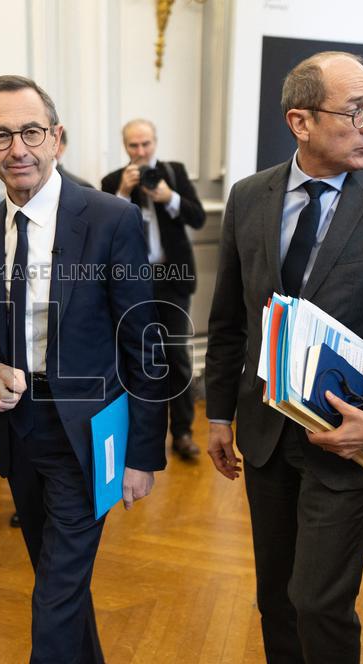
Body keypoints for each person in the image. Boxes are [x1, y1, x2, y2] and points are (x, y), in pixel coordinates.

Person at [205, 51, 363, 664]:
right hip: (264, 436)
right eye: (355, 110)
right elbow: (230, 321)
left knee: (319, 602)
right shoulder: (250, 197)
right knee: (275, 599)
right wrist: (218, 415)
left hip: (348, 436)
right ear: (300, 122)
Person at [0, 74, 167, 664]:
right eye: (0, 135)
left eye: (31, 131)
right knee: (60, 580)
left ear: (57, 138)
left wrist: (142, 455)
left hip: (88, 438)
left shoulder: (109, 218)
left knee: (54, 594)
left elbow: (144, 342)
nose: (18, 148)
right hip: (20, 433)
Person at [101, 119, 206, 461]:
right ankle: (137, 436)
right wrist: (121, 194)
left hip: (172, 279)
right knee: (134, 359)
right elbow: (101, 235)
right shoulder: (111, 181)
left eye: (146, 144)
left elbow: (198, 218)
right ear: (125, 147)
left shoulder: (173, 173)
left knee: (176, 357)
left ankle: (183, 432)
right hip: (130, 284)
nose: (141, 152)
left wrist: (169, 197)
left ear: (155, 142)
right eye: (133, 146)